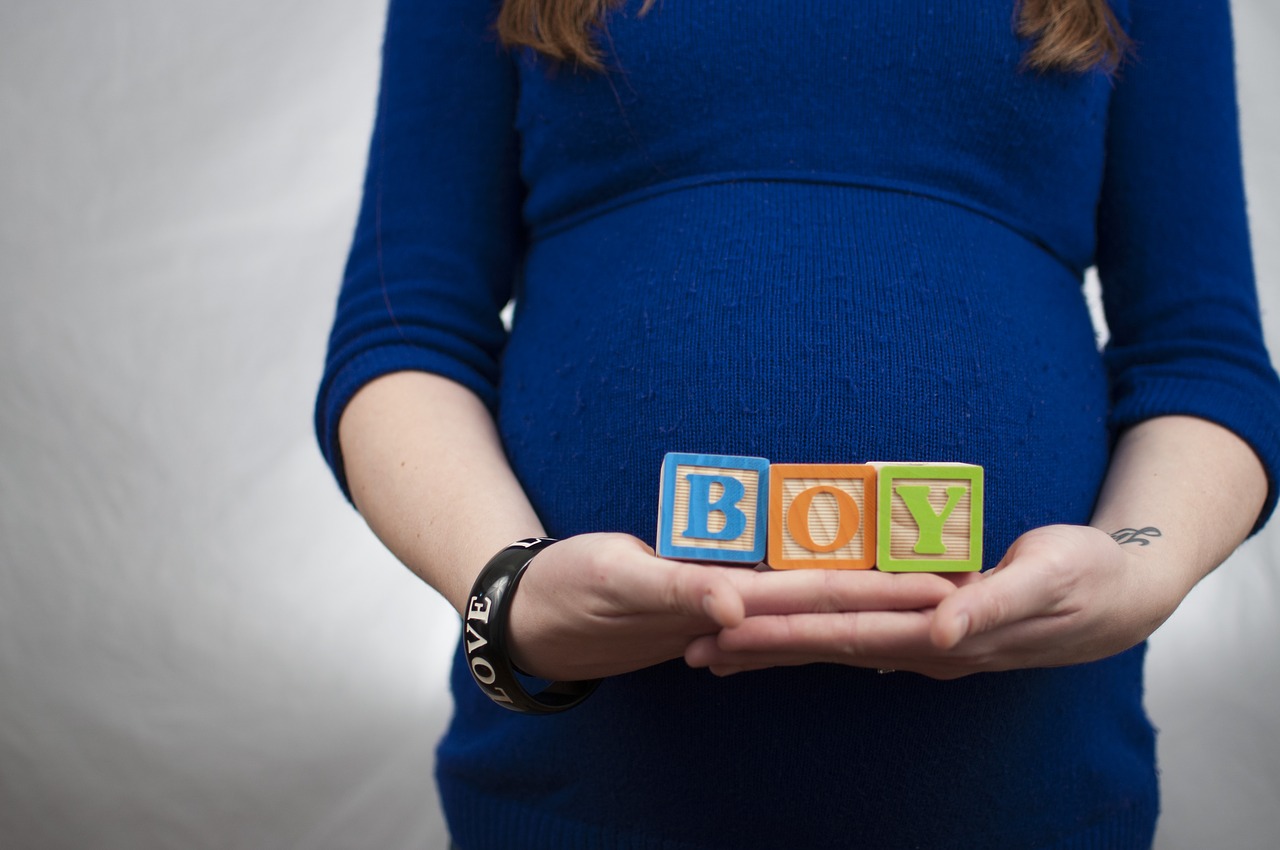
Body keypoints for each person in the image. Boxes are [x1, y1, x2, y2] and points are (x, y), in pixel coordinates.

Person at [315, 0, 1280, 846]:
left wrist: (1138, 567)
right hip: (581, 792)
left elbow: (1202, 357)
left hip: (1022, 792)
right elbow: (405, 335)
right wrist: (508, 596)